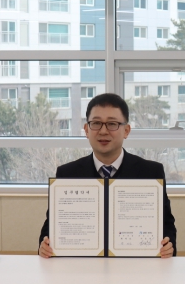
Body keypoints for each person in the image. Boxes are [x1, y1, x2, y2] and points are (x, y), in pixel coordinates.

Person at [38, 93, 177, 258]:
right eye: (96, 123)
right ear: (86, 130)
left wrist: (169, 245)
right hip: (82, 266)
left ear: (126, 131)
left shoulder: (150, 172)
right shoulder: (67, 174)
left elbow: (166, 224)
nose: (103, 131)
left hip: (136, 265)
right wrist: (44, 245)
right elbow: (51, 227)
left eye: (112, 124)